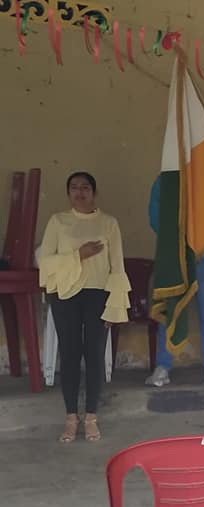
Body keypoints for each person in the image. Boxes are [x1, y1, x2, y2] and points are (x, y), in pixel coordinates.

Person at [37, 172, 130, 442]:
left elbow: (117, 266)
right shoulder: (58, 221)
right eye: (74, 188)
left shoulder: (109, 223)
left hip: (98, 295)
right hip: (65, 295)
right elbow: (45, 261)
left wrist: (115, 304)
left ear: (94, 193)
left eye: (85, 187)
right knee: (69, 354)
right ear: (68, 193)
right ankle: (70, 417)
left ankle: (91, 417)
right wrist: (78, 255)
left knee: (94, 354)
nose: (79, 192)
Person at [144, 176, 204, 387]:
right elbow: (156, 217)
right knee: (169, 311)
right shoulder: (166, 179)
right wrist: (180, 244)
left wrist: (202, 246)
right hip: (175, 257)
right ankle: (163, 367)